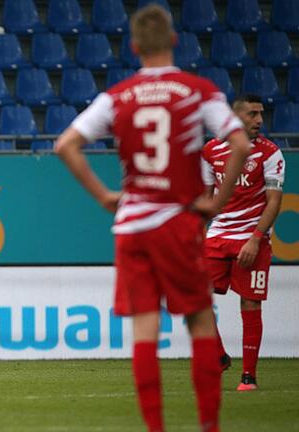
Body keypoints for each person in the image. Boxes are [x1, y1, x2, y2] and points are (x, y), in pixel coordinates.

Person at [54, 5, 251, 432]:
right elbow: (239, 145)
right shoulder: (197, 90)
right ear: (176, 41)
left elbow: (65, 144)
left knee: (145, 327)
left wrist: (106, 195)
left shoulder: (117, 96)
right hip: (177, 222)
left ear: (134, 46)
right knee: (199, 319)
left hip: (131, 227)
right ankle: (209, 425)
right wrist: (216, 204)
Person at [201, 94, 286, 391]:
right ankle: (219, 356)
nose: (259, 120)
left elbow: (274, 202)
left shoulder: (270, 153)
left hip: (253, 236)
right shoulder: (211, 151)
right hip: (219, 234)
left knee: (250, 303)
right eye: (252, 114)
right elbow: (205, 198)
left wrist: (255, 239)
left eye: (261, 113)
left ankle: (249, 375)